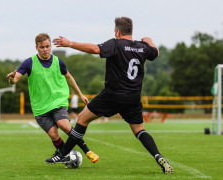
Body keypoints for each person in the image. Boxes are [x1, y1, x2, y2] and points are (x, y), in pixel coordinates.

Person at [45, 17, 173, 174]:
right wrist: (149, 40)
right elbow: (156, 52)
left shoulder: (116, 43)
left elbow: (94, 49)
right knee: (140, 130)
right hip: (133, 97)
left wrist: (70, 43)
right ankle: (158, 155)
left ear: (118, 31)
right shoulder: (142, 47)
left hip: (112, 95)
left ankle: (63, 154)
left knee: (82, 119)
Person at [6, 33, 99, 164]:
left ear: (50, 46)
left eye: (47, 46)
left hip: (57, 101)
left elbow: (69, 77)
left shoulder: (58, 62)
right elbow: (15, 79)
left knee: (64, 126)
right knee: (54, 135)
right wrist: (11, 80)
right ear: (36, 47)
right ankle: (65, 157)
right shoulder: (29, 63)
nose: (45, 49)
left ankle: (87, 151)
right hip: (40, 107)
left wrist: (80, 94)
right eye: (42, 47)